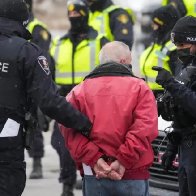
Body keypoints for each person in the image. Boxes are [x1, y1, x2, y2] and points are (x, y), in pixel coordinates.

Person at [0, 0, 92, 196]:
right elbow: (49, 101)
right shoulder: (26, 52)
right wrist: (85, 123)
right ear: (23, 21)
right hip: (6, 142)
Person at [59, 41, 158, 196]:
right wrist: (123, 160)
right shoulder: (140, 88)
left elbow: (67, 127)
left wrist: (95, 159)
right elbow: (144, 128)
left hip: (94, 174)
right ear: (124, 61)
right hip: (132, 174)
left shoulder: (79, 91)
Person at [50, 0, 108, 195]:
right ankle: (67, 183)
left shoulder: (100, 40)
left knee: (93, 145)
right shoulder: (59, 43)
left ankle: (91, 179)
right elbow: (48, 74)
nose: (74, 17)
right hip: (64, 101)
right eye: (71, 14)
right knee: (60, 142)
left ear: (85, 14)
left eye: (78, 14)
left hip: (92, 101)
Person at [152, 16, 196, 196]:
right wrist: (172, 146)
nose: (179, 51)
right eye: (176, 46)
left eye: (183, 46)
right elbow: (180, 109)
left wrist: (171, 83)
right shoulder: (186, 66)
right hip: (186, 146)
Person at [25, 0, 53, 180]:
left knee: (33, 125)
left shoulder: (37, 28)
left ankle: (37, 163)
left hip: (31, 84)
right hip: (12, 82)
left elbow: (41, 58)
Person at [140, 4, 180, 100]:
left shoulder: (174, 48)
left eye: (155, 23)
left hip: (166, 97)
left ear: (163, 24)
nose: (152, 26)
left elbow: (180, 79)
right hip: (151, 96)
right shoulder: (156, 43)